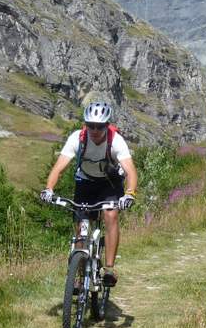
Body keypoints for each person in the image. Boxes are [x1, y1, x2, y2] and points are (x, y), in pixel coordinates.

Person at [40, 101, 137, 286]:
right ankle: (77, 276)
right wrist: (49, 189)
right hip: (85, 183)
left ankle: (109, 269)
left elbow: (131, 171)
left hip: (109, 184)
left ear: (106, 125)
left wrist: (129, 194)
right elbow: (58, 168)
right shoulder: (78, 138)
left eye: (99, 126)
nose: (94, 130)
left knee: (110, 215)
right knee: (81, 228)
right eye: (90, 125)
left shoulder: (115, 140)